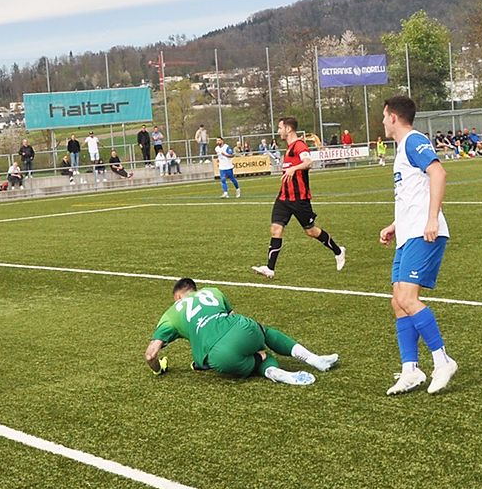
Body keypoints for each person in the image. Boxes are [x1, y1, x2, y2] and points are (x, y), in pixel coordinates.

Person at [377, 96, 457, 396]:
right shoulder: (402, 149)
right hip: (407, 234)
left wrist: (432, 219)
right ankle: (410, 369)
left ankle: (442, 359)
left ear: (394, 117)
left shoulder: (413, 140)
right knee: (398, 300)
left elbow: (438, 172)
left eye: (385, 116)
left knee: (409, 298)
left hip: (425, 234)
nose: (383, 122)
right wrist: (394, 226)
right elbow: (413, 194)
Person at [145, 278, 339, 385]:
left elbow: (150, 355)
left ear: (178, 297)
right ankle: (313, 358)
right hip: (242, 328)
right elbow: (232, 315)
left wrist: (158, 369)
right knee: (264, 333)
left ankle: (274, 371)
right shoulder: (212, 291)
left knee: (257, 359)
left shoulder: (172, 313)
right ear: (194, 289)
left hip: (219, 357)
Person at [251, 117, 345, 280]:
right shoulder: (288, 149)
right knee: (276, 229)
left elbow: (308, 162)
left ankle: (338, 251)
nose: (278, 130)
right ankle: (270, 268)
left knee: (311, 231)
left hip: (299, 199)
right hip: (283, 198)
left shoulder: (299, 145)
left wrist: (294, 168)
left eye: (280, 127)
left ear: (288, 129)